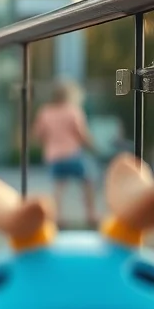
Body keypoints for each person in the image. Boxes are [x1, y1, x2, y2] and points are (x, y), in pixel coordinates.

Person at [31, 78, 99, 228]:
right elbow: (81, 134)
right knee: (88, 181)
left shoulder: (45, 112)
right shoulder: (73, 111)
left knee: (58, 187)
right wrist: (93, 146)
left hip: (54, 156)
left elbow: (38, 134)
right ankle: (91, 215)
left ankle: (56, 218)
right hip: (72, 154)